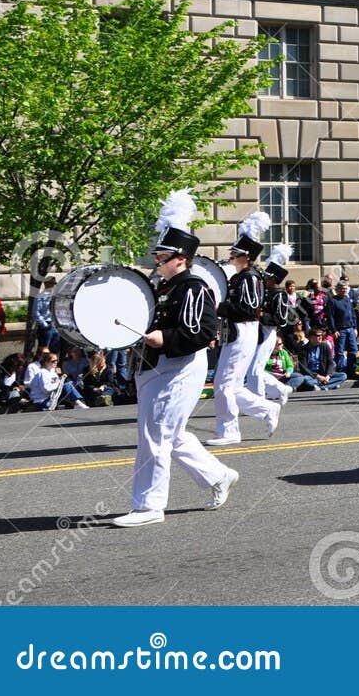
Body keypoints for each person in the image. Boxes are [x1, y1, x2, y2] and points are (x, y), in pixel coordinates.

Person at [114, 190, 237, 527]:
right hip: (158, 367)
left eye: (162, 257)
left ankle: (149, 506)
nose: (157, 261)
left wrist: (163, 338)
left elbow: (201, 333)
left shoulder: (193, 287)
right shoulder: (165, 288)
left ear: (180, 258)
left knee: (156, 435)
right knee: (171, 433)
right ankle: (218, 476)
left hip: (179, 367)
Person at [208, 211, 281, 447]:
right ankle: (267, 408)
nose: (231, 256)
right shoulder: (243, 276)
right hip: (240, 331)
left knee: (224, 384)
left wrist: (219, 307)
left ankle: (229, 431)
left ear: (246, 257)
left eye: (235, 253)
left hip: (243, 330)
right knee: (229, 384)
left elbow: (248, 308)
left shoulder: (248, 277)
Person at [252, 244, 297, 408]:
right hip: (258, 331)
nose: (265, 279)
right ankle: (280, 389)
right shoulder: (266, 292)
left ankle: (259, 399)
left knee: (256, 369)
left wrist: (263, 315)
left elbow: (281, 319)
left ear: (275, 279)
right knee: (253, 368)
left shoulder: (279, 295)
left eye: (268, 277)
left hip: (269, 332)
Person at [324, 278, 359, 376]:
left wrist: (355, 327)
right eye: (342, 288)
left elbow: (352, 314)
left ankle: (351, 371)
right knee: (340, 352)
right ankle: (340, 372)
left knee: (353, 350)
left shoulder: (347, 299)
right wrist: (333, 330)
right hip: (340, 330)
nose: (344, 290)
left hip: (350, 328)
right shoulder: (332, 301)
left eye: (345, 288)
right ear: (338, 289)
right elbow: (330, 317)